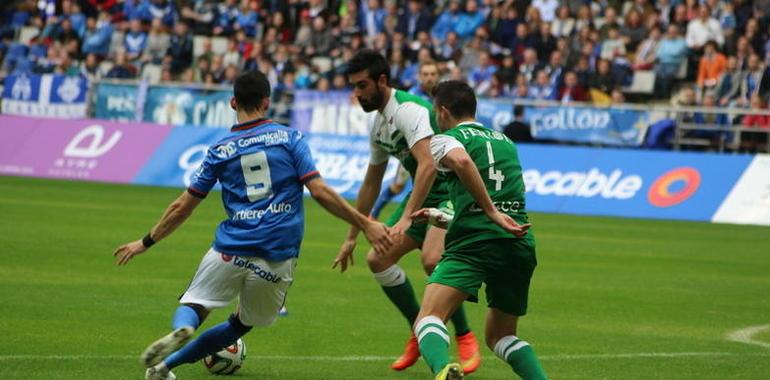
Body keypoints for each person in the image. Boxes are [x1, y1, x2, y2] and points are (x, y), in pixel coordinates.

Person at [112, 70, 393, 380]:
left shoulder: (220, 150)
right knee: (241, 323)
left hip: (230, 249)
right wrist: (365, 223)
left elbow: (182, 207)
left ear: (233, 102)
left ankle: (186, 326)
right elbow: (320, 192)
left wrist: (145, 242)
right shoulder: (289, 138)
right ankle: (166, 367)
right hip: (277, 254)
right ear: (267, 102)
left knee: (195, 303)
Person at [334, 50, 481, 373]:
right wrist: (352, 236)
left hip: (449, 191)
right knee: (378, 259)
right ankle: (419, 329)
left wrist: (404, 218)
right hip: (421, 193)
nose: (356, 94)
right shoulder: (378, 125)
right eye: (354, 87)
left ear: (382, 81)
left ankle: (465, 334)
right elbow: (371, 183)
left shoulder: (409, 110)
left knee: (432, 259)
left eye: (361, 86)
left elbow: (429, 165)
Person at [410, 80, 547, 380]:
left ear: (443, 111)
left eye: (435, 111)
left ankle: (444, 370)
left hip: (475, 243)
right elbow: (503, 200)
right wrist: (441, 216)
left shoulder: (445, 139)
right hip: (517, 241)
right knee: (501, 337)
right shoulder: (504, 141)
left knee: (428, 318)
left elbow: (461, 160)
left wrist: (490, 211)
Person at [370, 60, 441, 219]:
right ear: (419, 76)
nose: (429, 78)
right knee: (399, 186)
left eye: (433, 74)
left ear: (438, 76)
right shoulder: (413, 97)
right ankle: (374, 213)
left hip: (438, 148)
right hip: (415, 148)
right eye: (426, 74)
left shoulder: (442, 96)